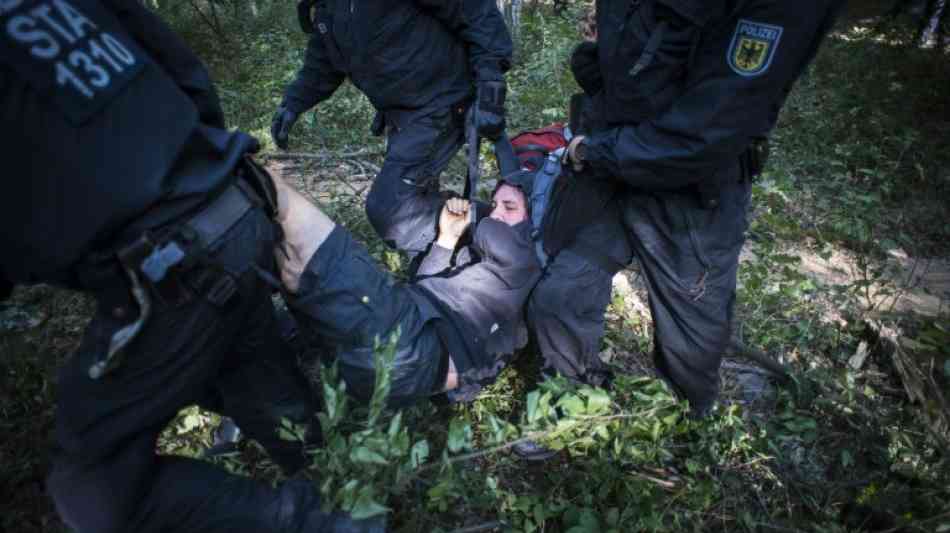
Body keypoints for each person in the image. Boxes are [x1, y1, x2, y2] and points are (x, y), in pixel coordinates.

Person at [0, 1, 380, 531]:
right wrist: (203, 167)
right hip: (234, 206)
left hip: (169, 257)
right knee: (257, 379)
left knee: (92, 485)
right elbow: (174, 61)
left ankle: (324, 524)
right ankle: (340, 487)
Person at [527, 0, 846, 418]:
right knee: (560, 293)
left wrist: (598, 151)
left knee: (690, 341)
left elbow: (711, 129)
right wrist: (595, 60)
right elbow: (635, 66)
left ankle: (690, 426)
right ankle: (564, 406)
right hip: (613, 169)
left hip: (688, 196)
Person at [271, 0, 513, 263]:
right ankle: (441, 275)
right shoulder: (328, 8)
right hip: (402, 117)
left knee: (393, 211)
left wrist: (490, 87)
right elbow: (323, 62)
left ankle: (509, 231)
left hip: (441, 103)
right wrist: (293, 103)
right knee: (417, 205)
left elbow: (472, 11)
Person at [274, 171, 540, 406]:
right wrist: (447, 238)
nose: (495, 214)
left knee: (284, 207)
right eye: (494, 205)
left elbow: (503, 231)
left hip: (411, 353)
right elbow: (426, 288)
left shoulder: (527, 256)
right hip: (406, 340)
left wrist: (475, 212)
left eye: (509, 207)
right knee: (288, 275)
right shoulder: (480, 258)